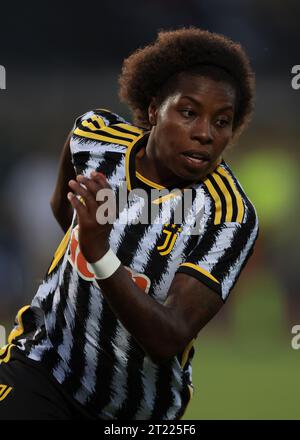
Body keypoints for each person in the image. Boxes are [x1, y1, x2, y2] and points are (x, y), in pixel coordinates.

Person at [0, 27, 258, 420]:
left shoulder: (228, 214)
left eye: (222, 121)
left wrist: (100, 254)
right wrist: (87, 238)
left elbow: (168, 337)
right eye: (188, 112)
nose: (205, 133)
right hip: (41, 367)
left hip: (136, 409)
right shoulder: (93, 138)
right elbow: (63, 208)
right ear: (154, 109)